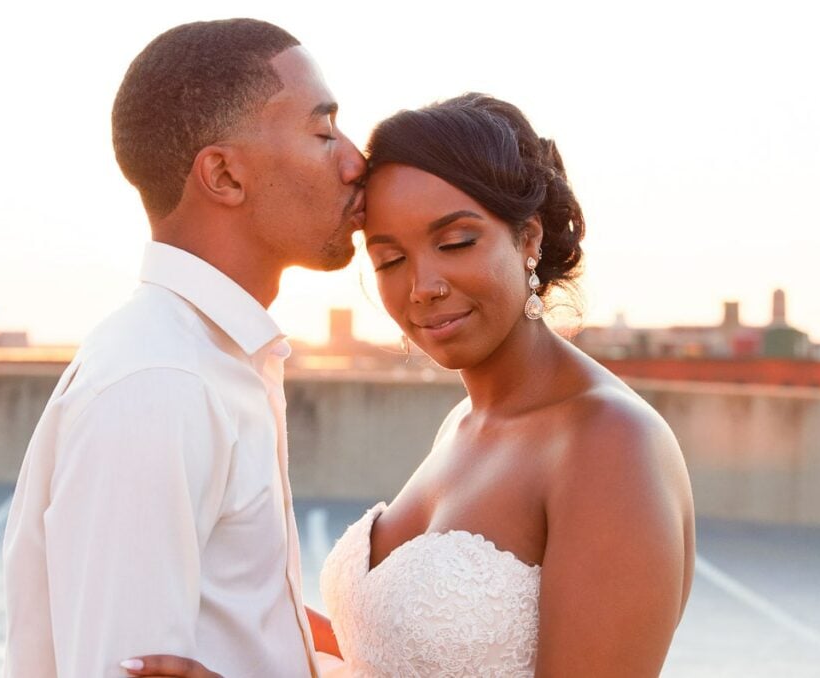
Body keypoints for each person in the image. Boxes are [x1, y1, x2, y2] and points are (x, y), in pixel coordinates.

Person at [125, 94, 695, 677]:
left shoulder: (609, 444)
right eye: (390, 259)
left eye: (455, 243)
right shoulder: (464, 424)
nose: (423, 286)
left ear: (528, 237)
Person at [2, 19, 365, 678]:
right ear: (224, 175)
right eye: (323, 132)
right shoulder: (163, 381)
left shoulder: (219, 362)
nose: (354, 160)